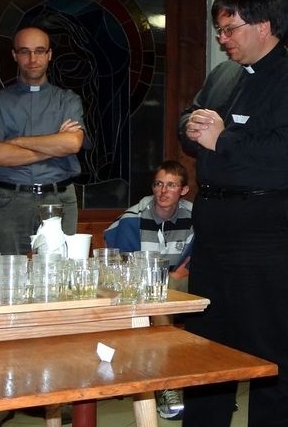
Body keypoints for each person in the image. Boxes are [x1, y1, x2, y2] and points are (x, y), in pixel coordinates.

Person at [178, 0, 288, 427]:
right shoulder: (223, 75)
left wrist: (223, 139)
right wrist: (190, 126)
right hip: (217, 228)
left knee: (270, 349)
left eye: (230, 29)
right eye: (219, 30)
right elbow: (191, 118)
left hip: (272, 230)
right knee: (206, 344)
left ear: (263, 26)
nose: (222, 39)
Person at [0, 26, 87, 427]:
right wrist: (49, 142)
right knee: (5, 292)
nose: (33, 59)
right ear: (14, 56)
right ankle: (4, 393)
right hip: (10, 200)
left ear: (50, 55)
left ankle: (58, 388)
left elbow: (72, 145)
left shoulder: (68, 99)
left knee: (60, 292)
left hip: (59, 200)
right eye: (24, 52)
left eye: (40, 51)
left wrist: (18, 141)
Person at [104, 159, 194, 421]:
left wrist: (181, 273)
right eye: (158, 184)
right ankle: (167, 386)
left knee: (219, 291)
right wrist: (165, 280)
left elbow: (205, 251)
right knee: (159, 297)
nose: (163, 192)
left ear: (184, 190)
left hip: (180, 279)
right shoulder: (132, 220)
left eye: (171, 185)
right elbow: (125, 268)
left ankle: (211, 388)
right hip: (140, 285)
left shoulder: (195, 215)